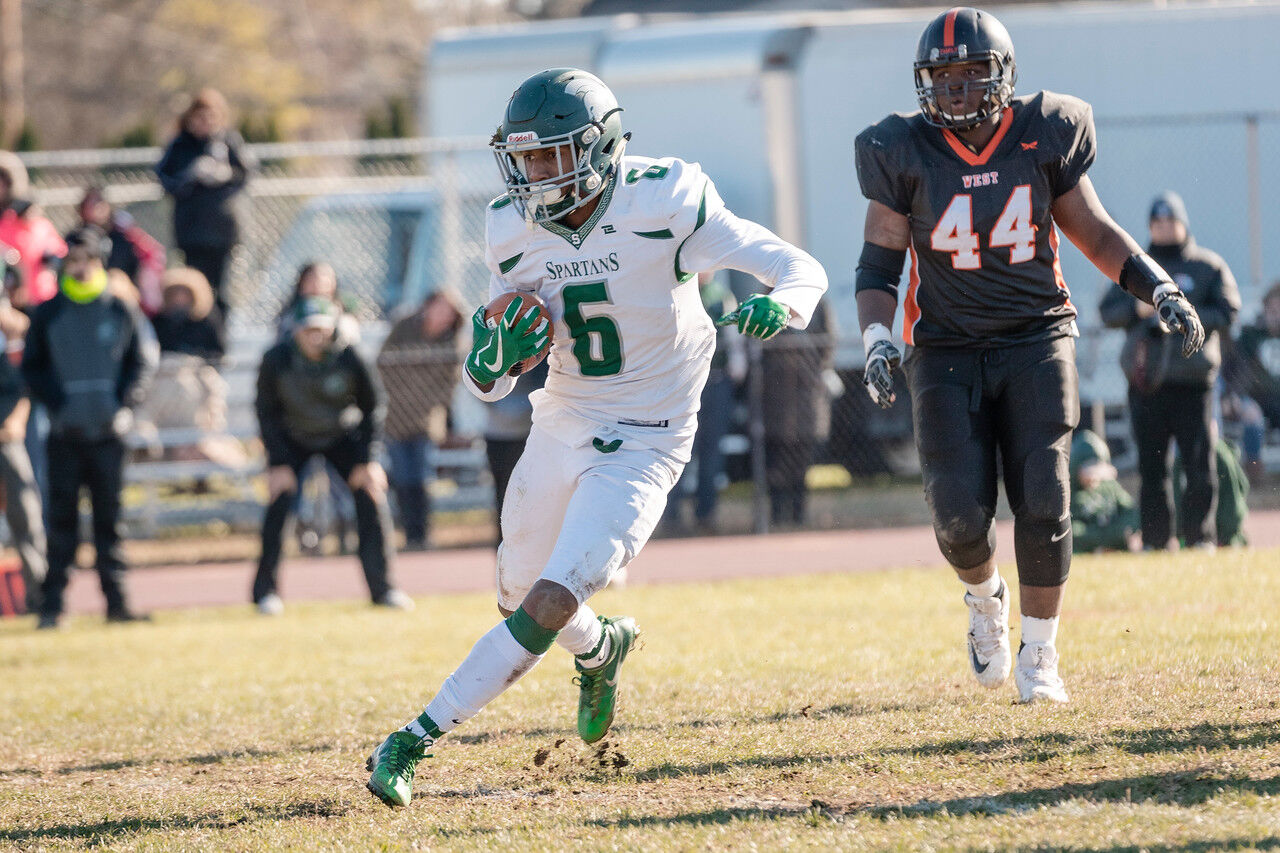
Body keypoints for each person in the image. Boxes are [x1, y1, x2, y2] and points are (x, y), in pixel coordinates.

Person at [365, 67, 827, 807]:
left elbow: (795, 265)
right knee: (518, 592)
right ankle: (602, 646)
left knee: (549, 596)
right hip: (564, 416)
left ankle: (413, 738)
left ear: (603, 147)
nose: (538, 174)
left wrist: (787, 304)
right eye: (526, 158)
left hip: (649, 431)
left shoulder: (666, 196)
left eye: (554, 155)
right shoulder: (510, 226)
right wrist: (487, 363)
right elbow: (492, 380)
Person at [854, 8, 1204, 704]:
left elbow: (1093, 232)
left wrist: (1156, 287)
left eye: (970, 74)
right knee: (957, 514)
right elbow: (877, 267)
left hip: (1036, 334)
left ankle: (1040, 654)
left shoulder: (1045, 132)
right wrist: (875, 339)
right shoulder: (902, 149)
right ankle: (986, 598)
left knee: (1044, 492)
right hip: (945, 344)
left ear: (1004, 76)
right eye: (943, 77)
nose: (955, 91)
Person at [23, 226, 157, 628]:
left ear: (99, 261)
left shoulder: (120, 309)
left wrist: (122, 403)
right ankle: (53, 608)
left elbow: (142, 363)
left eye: (86, 259)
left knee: (109, 524)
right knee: (60, 525)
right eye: (72, 260)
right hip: (65, 436)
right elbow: (34, 367)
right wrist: (59, 405)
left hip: (108, 436)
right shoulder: (48, 313)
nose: (78, 268)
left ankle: (117, 604)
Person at [252, 297, 410, 615]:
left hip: (342, 436)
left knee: (369, 493)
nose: (315, 336)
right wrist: (278, 462)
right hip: (292, 439)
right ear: (296, 330)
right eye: (308, 328)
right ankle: (265, 593)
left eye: (321, 329)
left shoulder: (350, 356)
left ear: (333, 329)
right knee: (279, 500)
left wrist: (367, 460)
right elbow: (266, 412)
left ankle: (384, 589)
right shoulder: (275, 359)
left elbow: (373, 406)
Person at [1099, 192, 1239, 551]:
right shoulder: (1136, 268)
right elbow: (1108, 311)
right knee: (1152, 468)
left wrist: (1184, 316)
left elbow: (1227, 312)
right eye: (1157, 223)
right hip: (1148, 383)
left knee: (1198, 465)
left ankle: (1199, 538)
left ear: (1182, 223)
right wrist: (1140, 310)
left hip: (1193, 382)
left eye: (1170, 221)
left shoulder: (1206, 266)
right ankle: (1156, 540)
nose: (1164, 228)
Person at [376, 290, 466, 550]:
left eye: (448, 313)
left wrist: (423, 402)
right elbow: (384, 363)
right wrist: (403, 396)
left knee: (421, 477)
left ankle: (422, 534)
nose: (443, 316)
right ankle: (408, 533)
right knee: (402, 477)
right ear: (427, 306)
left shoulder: (452, 341)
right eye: (440, 309)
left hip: (427, 420)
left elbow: (446, 385)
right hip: (395, 416)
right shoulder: (405, 328)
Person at [155, 89, 254, 322]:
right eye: (199, 118)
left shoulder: (228, 141)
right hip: (192, 232)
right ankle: (196, 334)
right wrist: (190, 176)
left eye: (210, 117)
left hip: (223, 230)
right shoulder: (180, 146)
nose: (205, 123)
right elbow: (164, 179)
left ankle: (220, 335)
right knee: (194, 287)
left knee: (223, 290)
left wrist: (225, 175)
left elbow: (246, 174)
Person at [661, 271, 746, 534]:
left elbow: (734, 342)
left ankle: (706, 514)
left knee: (712, 451)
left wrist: (736, 370)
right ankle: (671, 517)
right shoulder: (675, 293)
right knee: (679, 451)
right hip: (684, 385)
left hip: (715, 383)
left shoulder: (721, 297)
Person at [761, 298, 836, 527]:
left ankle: (798, 515)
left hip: (807, 394)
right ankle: (776, 517)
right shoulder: (766, 302)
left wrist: (814, 369)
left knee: (801, 463)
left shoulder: (817, 303)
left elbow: (828, 342)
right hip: (775, 395)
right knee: (775, 463)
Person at [0, 250, 46, 613]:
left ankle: (39, 595)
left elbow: (26, 380)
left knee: (25, 509)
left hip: (6, 431)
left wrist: (16, 417)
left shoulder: (17, 326)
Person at [75, 187, 166, 315]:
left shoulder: (124, 236)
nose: (96, 209)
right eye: (90, 204)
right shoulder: (76, 238)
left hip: (124, 293)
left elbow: (150, 255)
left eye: (99, 203)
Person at [1226, 281, 1280, 482]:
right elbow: (1233, 370)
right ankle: (1254, 473)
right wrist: (1234, 397)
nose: (1276, 314)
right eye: (1272, 309)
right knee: (1252, 419)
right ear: (1265, 309)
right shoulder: (1250, 336)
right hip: (1255, 398)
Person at [0, 150, 66, 307]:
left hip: (38, 297)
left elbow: (57, 252)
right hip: (8, 301)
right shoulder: (6, 224)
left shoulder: (36, 223)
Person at [1069, 429, 1138, 554]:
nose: (1094, 477)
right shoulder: (1069, 494)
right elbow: (1072, 532)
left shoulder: (1110, 486)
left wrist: (1121, 534)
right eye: (1089, 470)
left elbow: (1131, 513)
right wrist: (1111, 537)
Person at [150, 267, 225, 361]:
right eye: (175, 293)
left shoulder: (207, 322)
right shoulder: (159, 322)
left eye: (184, 293)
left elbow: (217, 353)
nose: (179, 298)